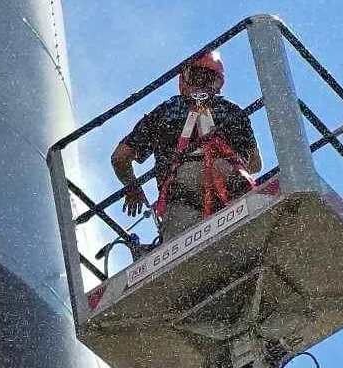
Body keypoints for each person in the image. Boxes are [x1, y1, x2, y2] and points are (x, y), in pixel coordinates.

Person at [111, 51, 262, 242]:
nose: (201, 84)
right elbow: (255, 164)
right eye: (199, 77)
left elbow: (120, 158)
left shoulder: (165, 112)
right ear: (219, 85)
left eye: (205, 78)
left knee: (185, 254)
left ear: (182, 80)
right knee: (246, 240)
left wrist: (133, 189)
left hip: (180, 197)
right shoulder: (233, 112)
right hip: (229, 188)